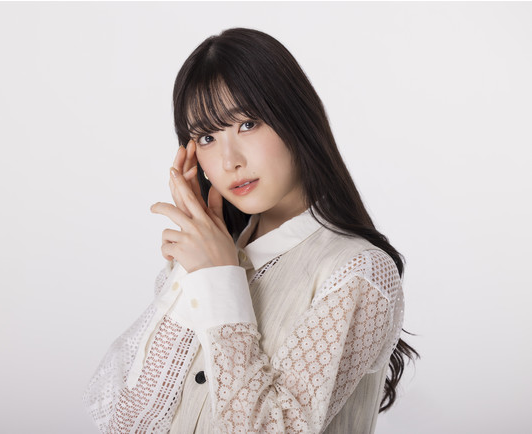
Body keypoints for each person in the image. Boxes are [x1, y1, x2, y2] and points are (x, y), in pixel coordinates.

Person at [83, 27, 418, 433]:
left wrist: (219, 281)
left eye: (247, 124)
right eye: (207, 137)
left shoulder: (357, 272)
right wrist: (195, 269)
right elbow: (125, 421)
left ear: (295, 118)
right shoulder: (211, 257)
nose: (229, 161)